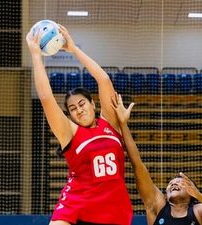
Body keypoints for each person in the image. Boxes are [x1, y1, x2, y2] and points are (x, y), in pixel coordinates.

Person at [26, 25, 133, 225]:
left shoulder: (110, 123)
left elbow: (103, 79)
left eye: (82, 104)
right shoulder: (70, 133)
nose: (79, 110)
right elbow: (46, 97)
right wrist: (35, 55)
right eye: (73, 108)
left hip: (114, 208)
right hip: (78, 203)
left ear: (93, 104)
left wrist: (74, 49)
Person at [110, 93, 202, 225]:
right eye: (171, 183)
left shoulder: (198, 210)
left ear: (192, 193)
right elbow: (137, 164)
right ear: (166, 194)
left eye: (181, 183)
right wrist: (123, 124)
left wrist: (200, 196)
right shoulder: (158, 206)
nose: (174, 184)